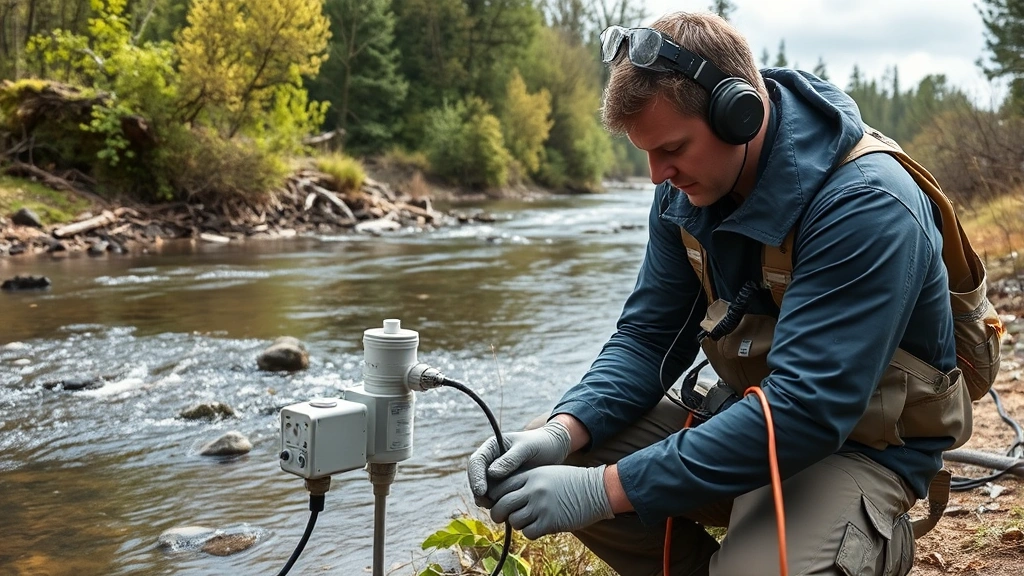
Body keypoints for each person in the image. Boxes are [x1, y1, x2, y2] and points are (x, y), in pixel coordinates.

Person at [467, 10, 971, 576]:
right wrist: (564, 428)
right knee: (566, 447)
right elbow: (646, 340)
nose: (658, 176)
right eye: (647, 153)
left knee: (616, 492)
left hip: (861, 450)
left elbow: (806, 411)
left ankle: (871, 540)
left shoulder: (867, 204)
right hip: (751, 420)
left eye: (672, 149)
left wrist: (602, 490)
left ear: (741, 115)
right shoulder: (685, 193)